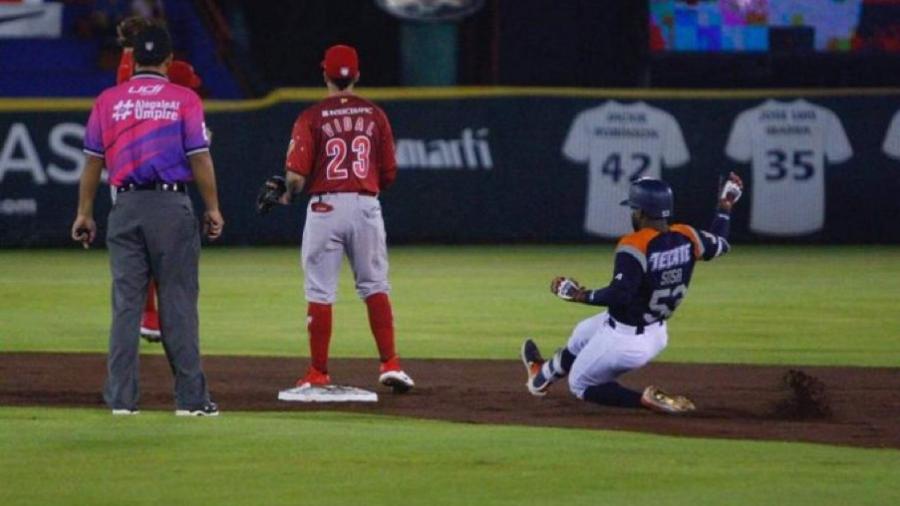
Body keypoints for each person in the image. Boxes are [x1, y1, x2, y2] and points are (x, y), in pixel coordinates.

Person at [71, 25, 223, 416]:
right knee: (178, 304)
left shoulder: (108, 100)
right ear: (169, 62)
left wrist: (85, 212)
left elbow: (92, 160)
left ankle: (121, 400)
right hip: (171, 208)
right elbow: (199, 157)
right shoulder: (184, 98)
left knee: (126, 307)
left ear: (133, 59)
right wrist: (212, 207)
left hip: (125, 207)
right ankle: (190, 401)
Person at [521, 174, 744, 414]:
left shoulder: (636, 244)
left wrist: (577, 294)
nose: (633, 214)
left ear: (642, 213)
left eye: (634, 210)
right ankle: (539, 378)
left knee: (580, 384)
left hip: (624, 339)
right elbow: (720, 241)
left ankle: (646, 400)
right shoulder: (688, 236)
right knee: (581, 334)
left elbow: (619, 295)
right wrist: (726, 204)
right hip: (654, 332)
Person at [277, 44, 414, 393]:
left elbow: (295, 177)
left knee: (320, 292)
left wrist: (288, 193)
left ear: (324, 74)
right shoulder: (375, 114)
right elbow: (389, 174)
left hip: (325, 207)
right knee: (375, 287)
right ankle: (391, 364)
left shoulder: (311, 116)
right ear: (357, 75)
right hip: (366, 205)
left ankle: (318, 372)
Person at [114, 16, 204, 343]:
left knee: (148, 256)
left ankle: (150, 316)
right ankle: (152, 315)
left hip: (136, 181)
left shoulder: (149, 82)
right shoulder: (163, 85)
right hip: (146, 183)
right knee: (155, 255)